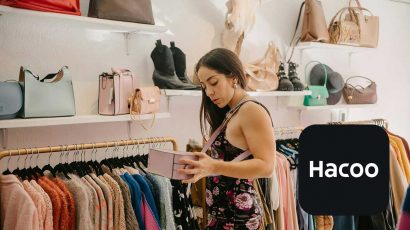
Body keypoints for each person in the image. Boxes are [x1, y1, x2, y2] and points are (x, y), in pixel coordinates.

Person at [177, 48, 276, 229]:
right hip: (221, 216)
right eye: (204, 86)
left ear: (234, 78)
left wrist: (213, 166)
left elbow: (267, 166)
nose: (209, 92)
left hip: (239, 219)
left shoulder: (251, 110)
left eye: (213, 82)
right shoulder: (230, 112)